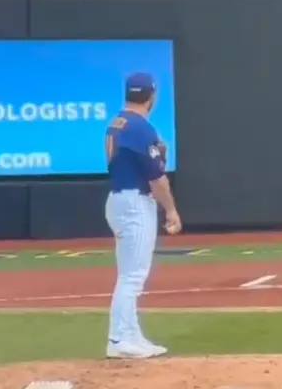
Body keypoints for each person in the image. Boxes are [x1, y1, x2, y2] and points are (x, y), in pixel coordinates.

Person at [104, 72, 182, 359]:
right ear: (151, 95)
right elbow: (156, 177)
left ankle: (130, 334)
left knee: (129, 274)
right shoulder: (141, 127)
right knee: (133, 276)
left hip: (120, 198)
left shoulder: (118, 122)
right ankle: (117, 340)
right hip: (134, 202)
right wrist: (171, 210)